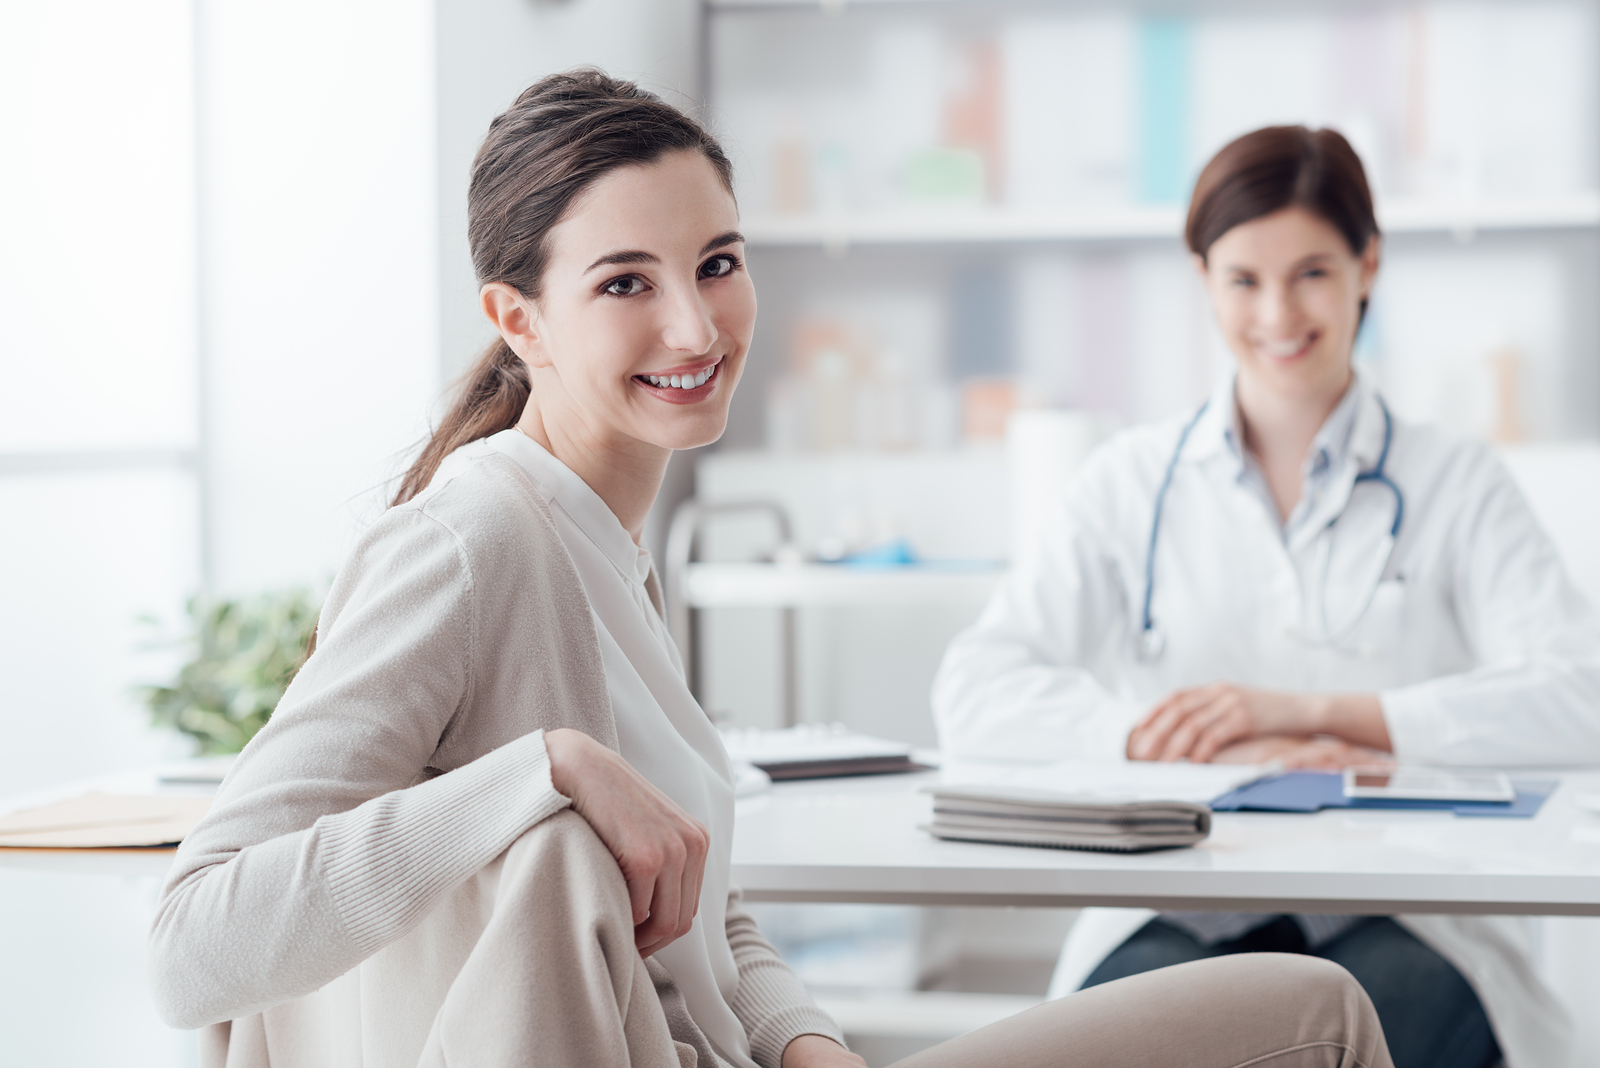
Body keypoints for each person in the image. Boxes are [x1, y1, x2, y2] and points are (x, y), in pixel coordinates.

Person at [147, 77, 1395, 1068]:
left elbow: (708, 920)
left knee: (1311, 1005)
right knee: (1317, 1025)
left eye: (719, 263)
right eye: (625, 283)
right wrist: (542, 769)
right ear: (517, 321)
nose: (695, 327)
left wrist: (811, 1042)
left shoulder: (606, 547)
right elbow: (196, 945)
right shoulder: (476, 542)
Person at [932, 124, 1600, 1068]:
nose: (1279, 312)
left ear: (1368, 265)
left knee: (1357, 1014)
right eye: (1245, 278)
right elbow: (974, 691)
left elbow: (1582, 694)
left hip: (1402, 914)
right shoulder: (1131, 480)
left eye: (1313, 273)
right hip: (1184, 900)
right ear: (1203, 278)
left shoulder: (1454, 481)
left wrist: (1335, 716)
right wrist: (1166, 734)